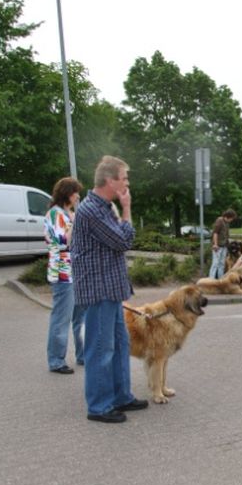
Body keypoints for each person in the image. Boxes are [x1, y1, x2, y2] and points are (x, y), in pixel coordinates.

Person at [71, 156, 148, 423]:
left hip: (111, 290)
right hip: (99, 291)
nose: (127, 183)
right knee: (101, 349)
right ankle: (99, 406)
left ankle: (121, 396)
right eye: (124, 178)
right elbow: (123, 241)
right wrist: (126, 209)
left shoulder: (104, 208)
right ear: (109, 180)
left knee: (119, 345)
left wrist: (120, 211)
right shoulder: (92, 210)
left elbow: (123, 238)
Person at [44, 177, 86, 374]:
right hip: (63, 273)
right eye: (75, 192)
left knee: (81, 317)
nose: (78, 196)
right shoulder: (55, 214)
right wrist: (75, 223)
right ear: (67, 193)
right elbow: (63, 242)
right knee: (61, 318)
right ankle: (56, 361)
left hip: (77, 272)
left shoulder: (71, 214)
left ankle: (83, 355)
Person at [208, 209, 237, 279]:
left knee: (222, 264)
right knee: (215, 264)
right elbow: (215, 233)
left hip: (224, 246)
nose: (232, 220)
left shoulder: (227, 223)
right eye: (232, 218)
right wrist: (215, 244)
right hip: (218, 246)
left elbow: (226, 235)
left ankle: (221, 279)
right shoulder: (219, 220)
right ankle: (211, 280)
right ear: (228, 216)